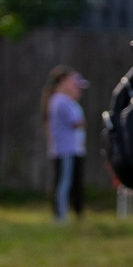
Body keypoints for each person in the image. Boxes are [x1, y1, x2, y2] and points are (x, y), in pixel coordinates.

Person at [45, 66, 87, 222]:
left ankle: (66, 214)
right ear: (62, 82)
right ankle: (59, 216)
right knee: (63, 184)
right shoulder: (60, 101)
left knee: (68, 183)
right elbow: (77, 123)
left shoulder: (64, 101)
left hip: (72, 149)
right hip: (65, 150)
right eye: (72, 82)